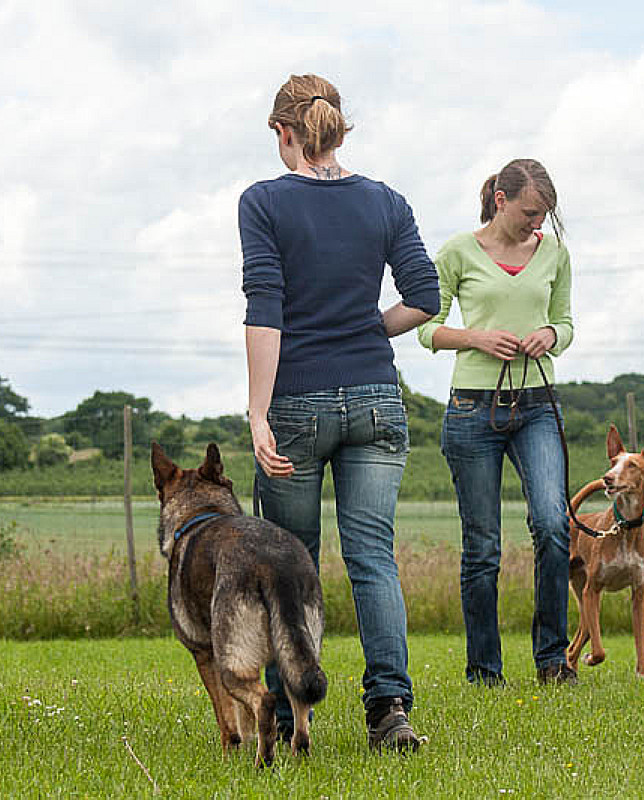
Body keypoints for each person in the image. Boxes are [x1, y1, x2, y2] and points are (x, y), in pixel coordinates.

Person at [239, 74, 440, 751]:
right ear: (338, 128)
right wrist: (363, 329)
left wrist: (258, 411)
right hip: (378, 402)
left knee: (290, 563)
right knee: (373, 559)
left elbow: (265, 308)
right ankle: (389, 711)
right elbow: (425, 297)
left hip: (296, 400)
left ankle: (294, 710)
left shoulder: (263, 202)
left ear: (283, 133)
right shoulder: (387, 202)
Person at [417, 159, 575, 686]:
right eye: (531, 212)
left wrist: (550, 335)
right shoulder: (457, 252)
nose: (538, 224)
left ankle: (553, 660)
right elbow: (427, 329)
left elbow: (567, 322)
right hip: (472, 408)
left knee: (554, 527)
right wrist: (476, 337)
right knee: (482, 545)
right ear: (502, 200)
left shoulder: (554, 253)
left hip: (536, 403)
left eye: (545, 215)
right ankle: (485, 669)